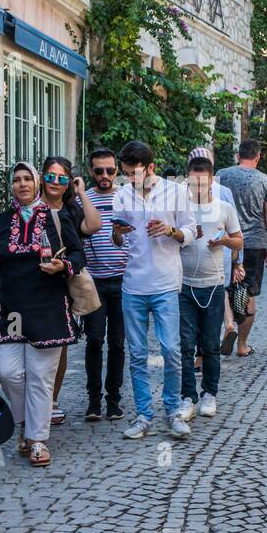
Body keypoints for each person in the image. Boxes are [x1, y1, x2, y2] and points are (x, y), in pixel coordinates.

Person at [0, 162, 86, 468]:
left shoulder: (56, 217)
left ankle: (37, 440)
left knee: (40, 378)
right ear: (11, 185)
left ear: (36, 184)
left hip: (48, 307)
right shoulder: (0, 222)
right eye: (17, 179)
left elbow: (78, 255)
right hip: (12, 310)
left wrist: (64, 266)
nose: (22, 184)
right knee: (7, 370)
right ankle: (26, 422)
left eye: (27, 179)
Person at [110, 140, 201, 440]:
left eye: (136, 173)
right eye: (126, 173)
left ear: (151, 168)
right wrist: (117, 233)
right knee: (136, 354)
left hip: (164, 283)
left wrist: (170, 230)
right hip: (132, 285)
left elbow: (191, 231)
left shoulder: (175, 191)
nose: (131, 179)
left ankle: (173, 410)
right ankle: (143, 415)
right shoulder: (122, 194)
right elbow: (118, 242)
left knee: (171, 350)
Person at [178, 154, 243, 417]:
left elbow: (239, 241)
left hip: (213, 284)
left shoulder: (224, 208)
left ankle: (209, 394)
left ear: (211, 182)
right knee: (184, 344)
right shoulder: (180, 209)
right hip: (183, 283)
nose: (199, 189)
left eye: (203, 184)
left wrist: (225, 241)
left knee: (210, 344)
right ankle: (187, 396)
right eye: (194, 183)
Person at [39, 155, 101, 427]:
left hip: (61, 284)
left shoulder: (71, 211)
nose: (55, 182)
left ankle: (51, 400)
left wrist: (80, 191)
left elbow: (94, 225)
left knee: (59, 347)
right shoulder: (30, 208)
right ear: (42, 177)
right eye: (50, 176)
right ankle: (35, 399)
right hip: (32, 284)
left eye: (62, 178)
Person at [216, 139, 267, 359]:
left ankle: (228, 324)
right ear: (258, 156)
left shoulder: (221, 175)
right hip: (253, 243)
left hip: (225, 241)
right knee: (248, 291)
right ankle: (242, 345)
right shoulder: (264, 180)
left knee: (223, 288)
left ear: (237, 155)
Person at [79, 147, 127, 422]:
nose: (105, 175)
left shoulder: (126, 199)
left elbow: (131, 241)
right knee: (94, 340)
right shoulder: (84, 199)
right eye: (99, 170)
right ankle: (94, 401)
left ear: (117, 170)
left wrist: (118, 238)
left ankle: (114, 400)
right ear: (91, 172)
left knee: (118, 344)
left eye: (110, 170)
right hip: (93, 282)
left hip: (123, 282)